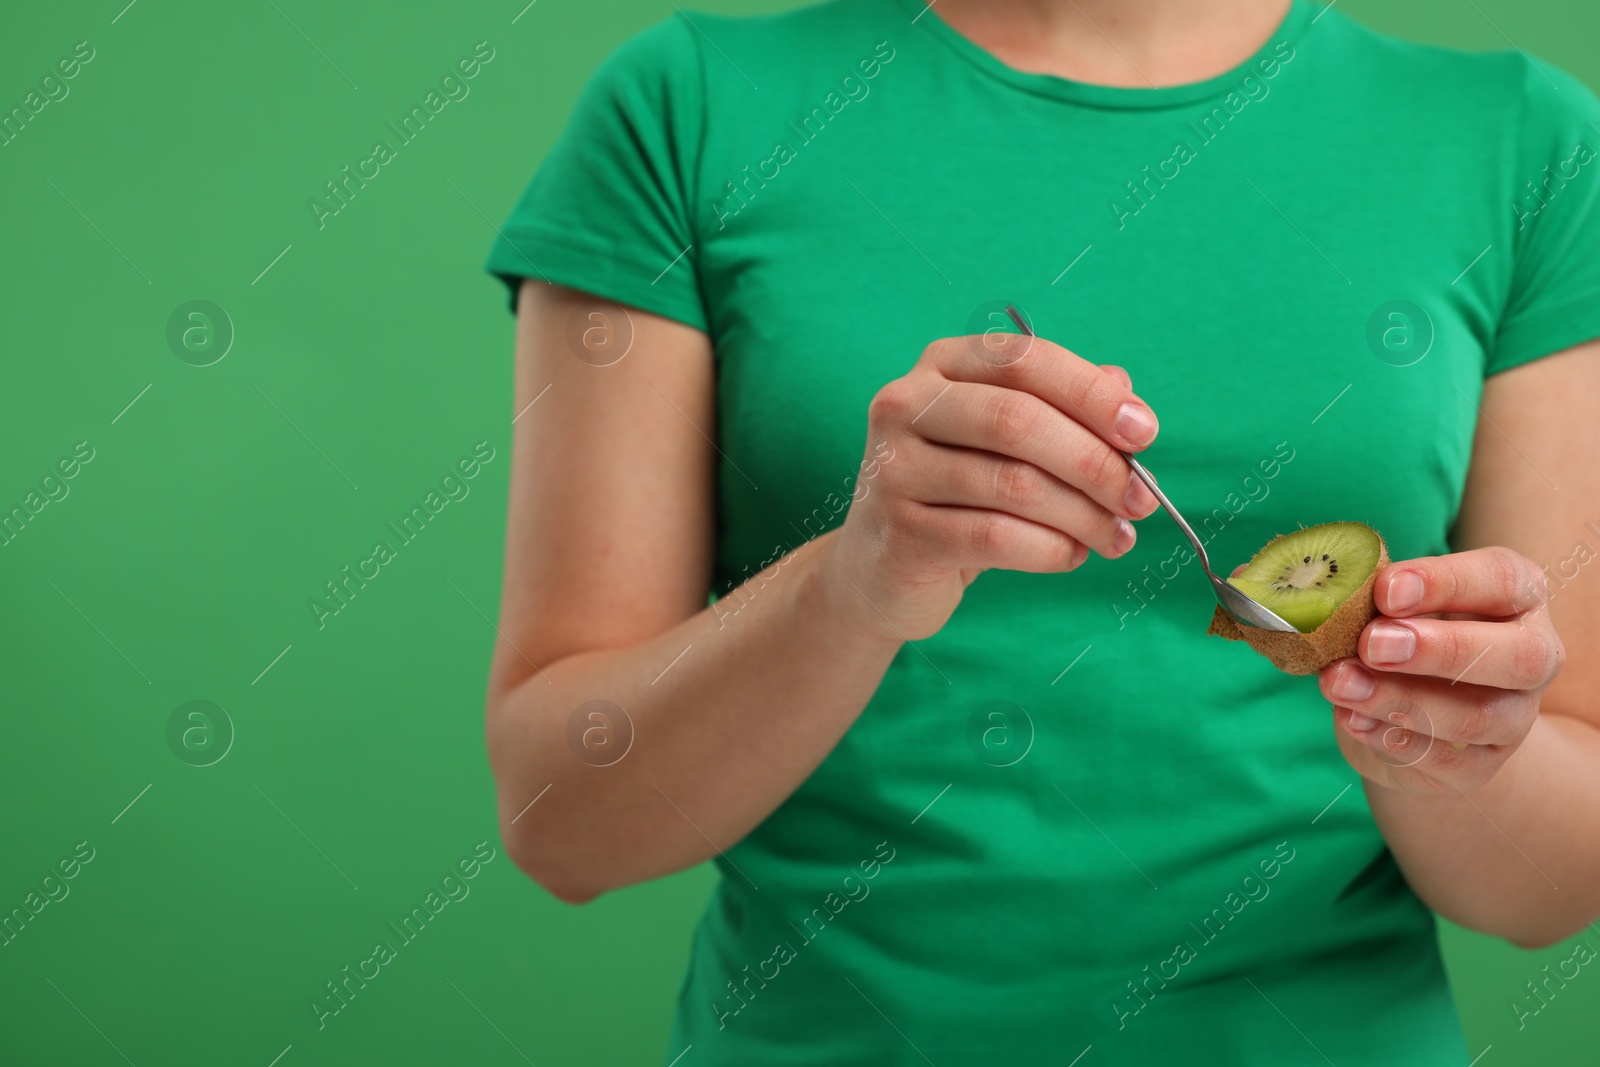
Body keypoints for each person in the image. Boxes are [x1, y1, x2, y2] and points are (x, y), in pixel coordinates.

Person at [481, 0, 1600, 1062]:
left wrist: (1456, 747)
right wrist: (853, 586)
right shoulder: (686, 108)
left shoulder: (1525, 144)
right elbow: (561, 817)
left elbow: (1555, 881)